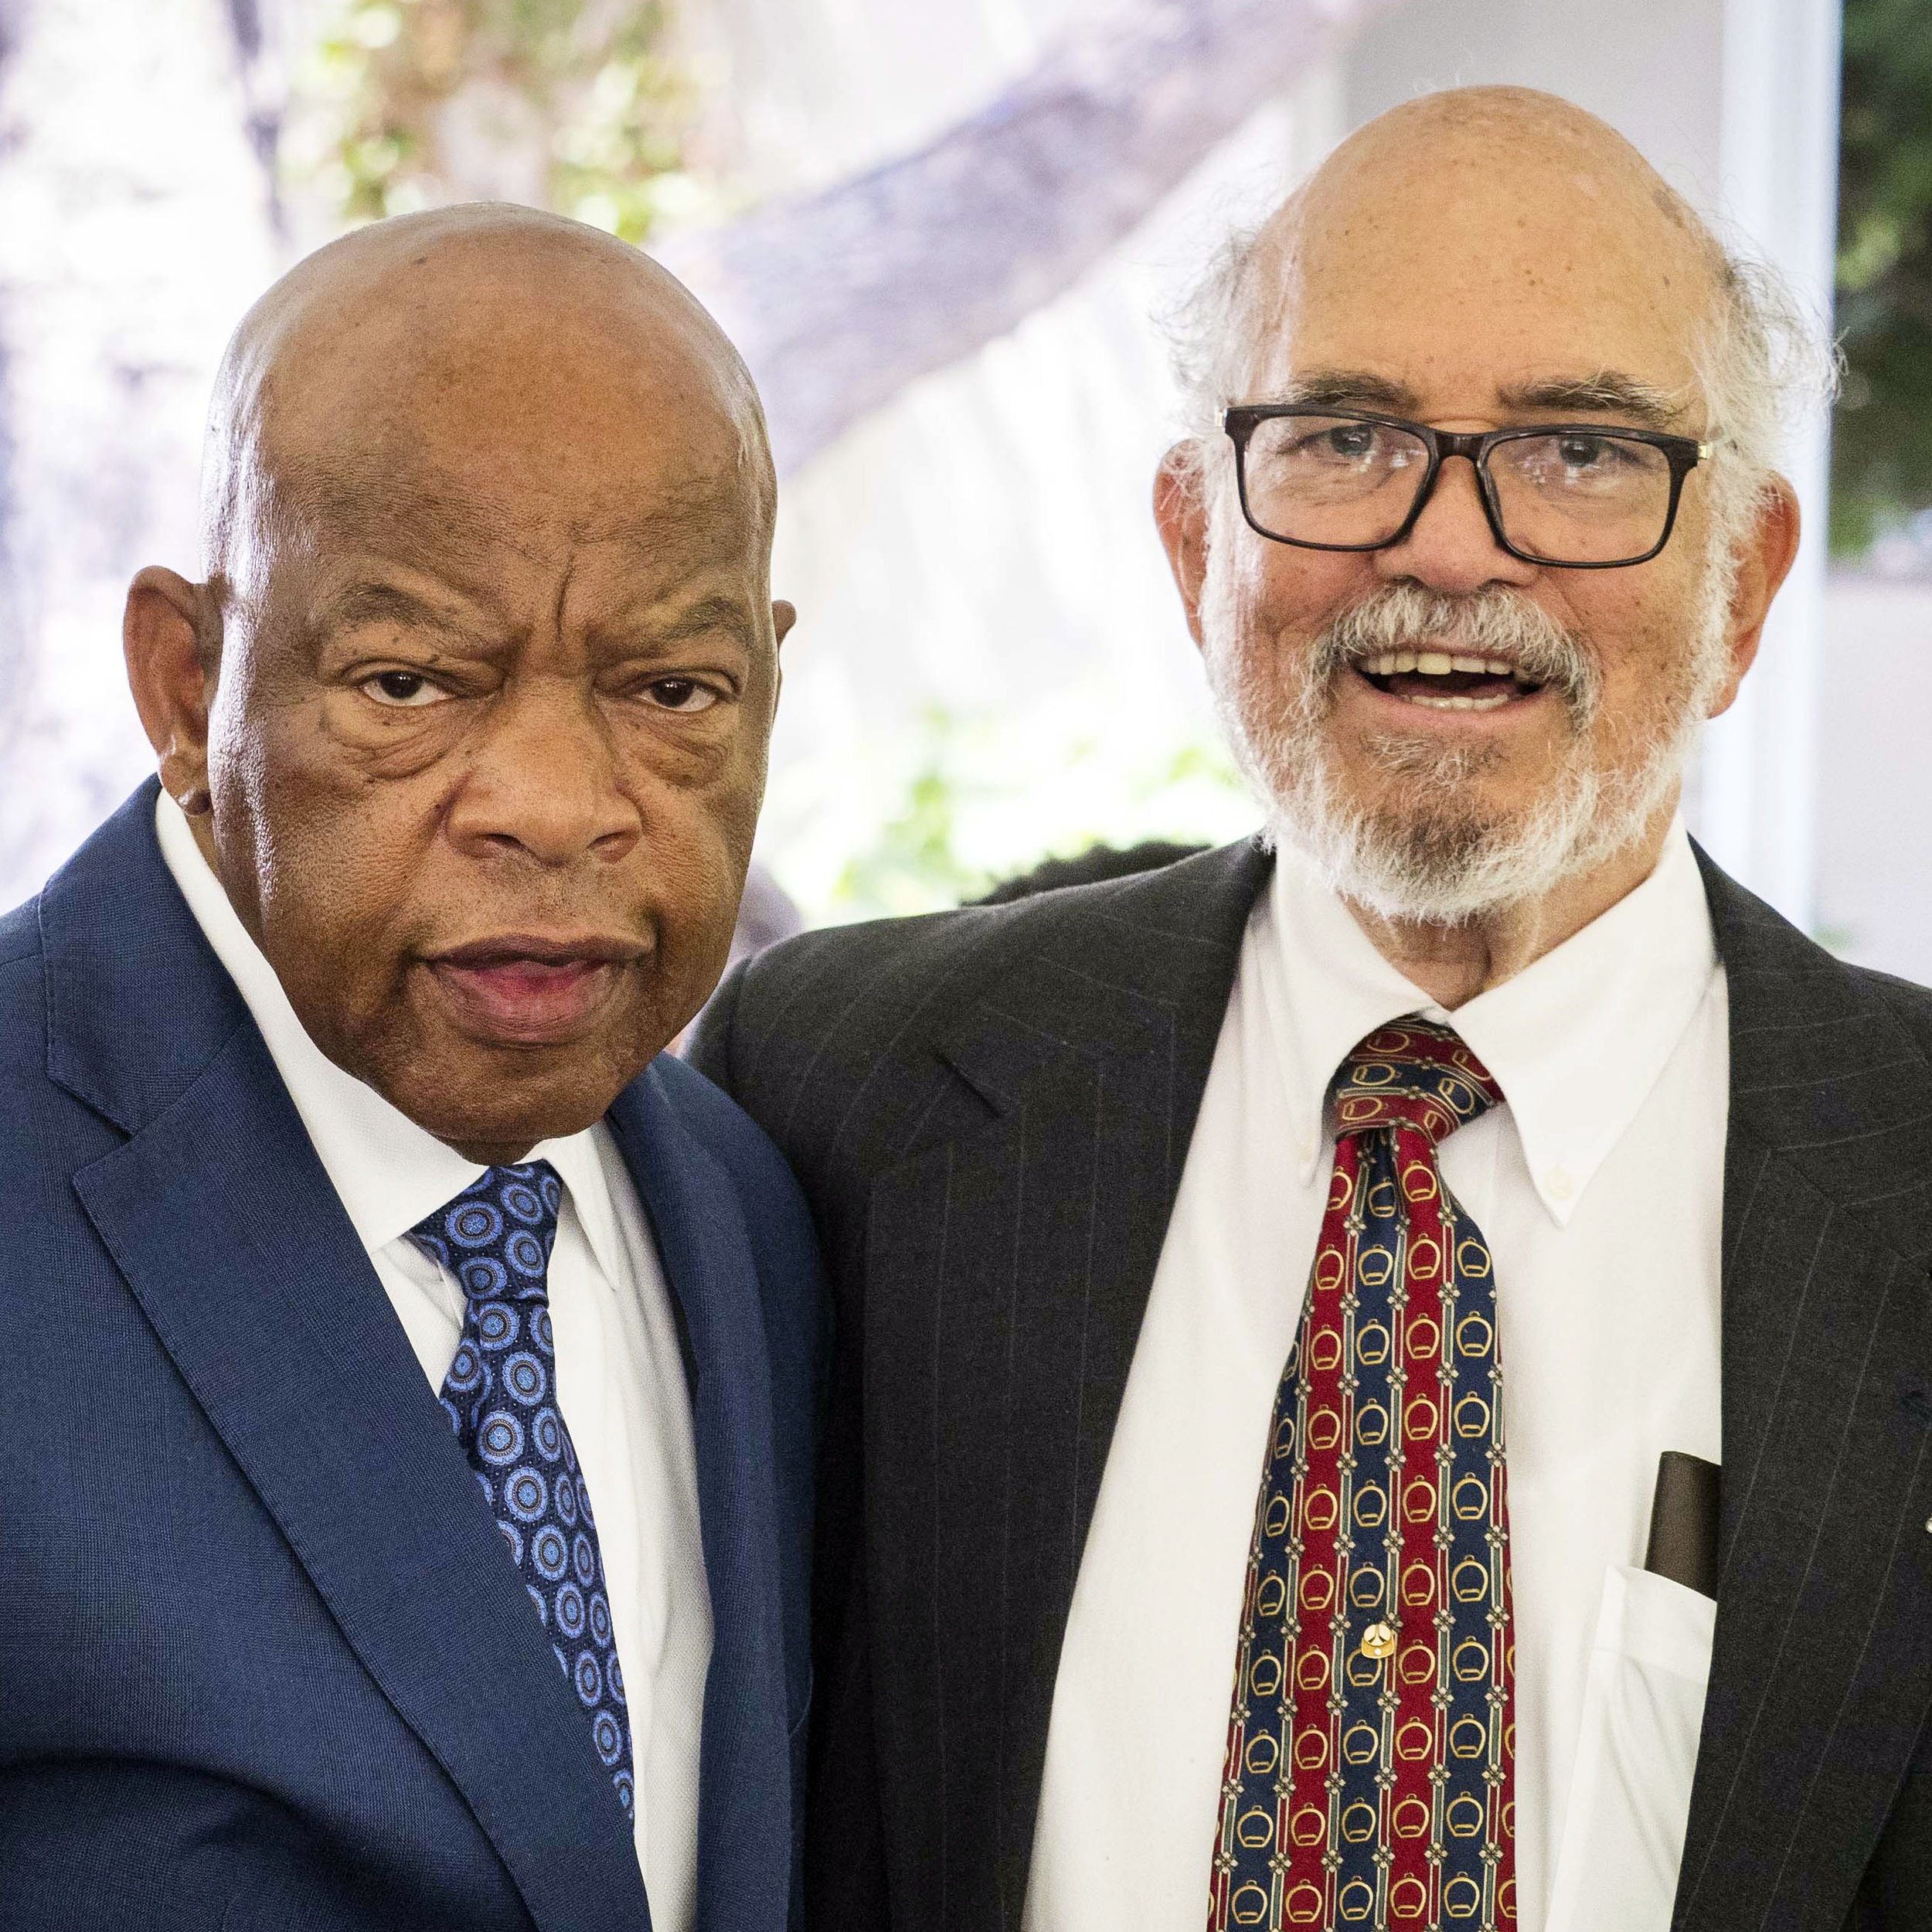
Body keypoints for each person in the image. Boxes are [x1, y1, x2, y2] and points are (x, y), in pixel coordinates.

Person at [692, 87, 1932, 1932]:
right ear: (1197, 545)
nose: (1448, 547)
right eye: (1344, 435)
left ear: (1740, 581)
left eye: (1580, 450)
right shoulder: (842, 1096)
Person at [0, 204, 821, 1932]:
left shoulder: (752, 1204)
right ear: (184, 681)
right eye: (409, 679)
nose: (553, 800)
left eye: (672, 686)